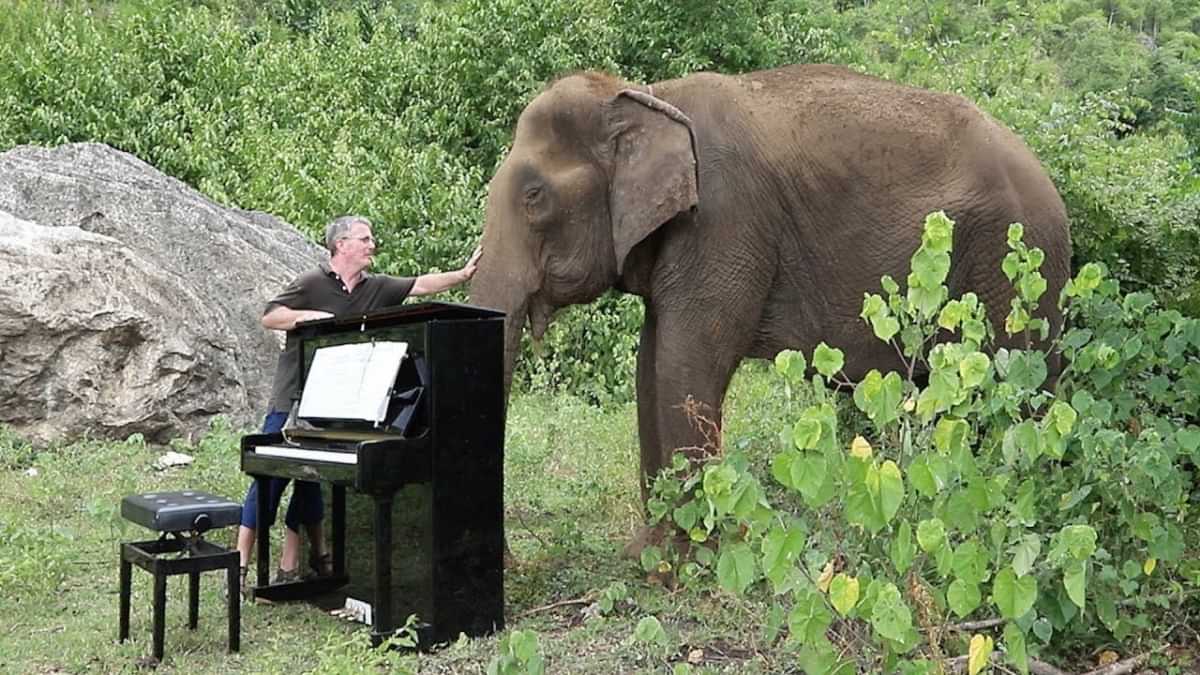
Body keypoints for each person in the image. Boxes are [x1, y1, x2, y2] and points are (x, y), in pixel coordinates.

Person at [238, 214, 482, 591]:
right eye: (365, 239)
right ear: (342, 245)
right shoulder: (311, 283)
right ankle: (239, 566)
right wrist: (308, 317)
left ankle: (297, 565)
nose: (372, 245)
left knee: (313, 481)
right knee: (268, 480)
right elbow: (271, 316)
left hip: (336, 403)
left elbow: (421, 285)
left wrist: (463, 275)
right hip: (292, 398)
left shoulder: (377, 287)